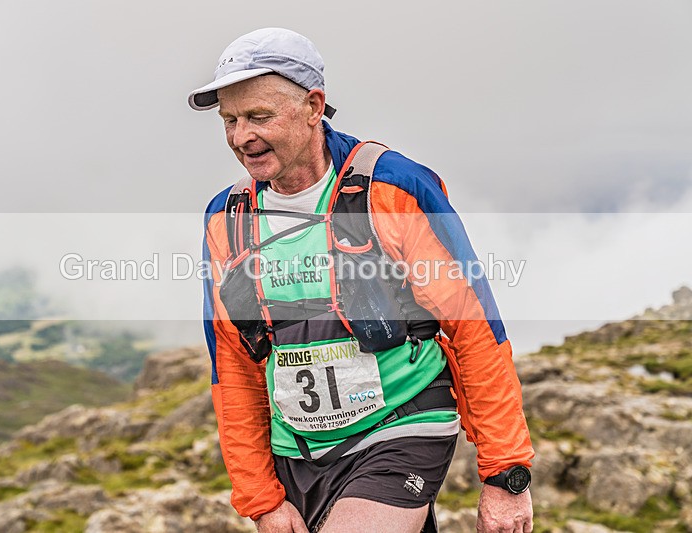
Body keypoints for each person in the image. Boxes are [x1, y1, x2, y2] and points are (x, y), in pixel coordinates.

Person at [191, 27, 534, 533]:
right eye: (231, 120)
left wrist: (505, 474)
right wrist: (260, 496)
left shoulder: (393, 188)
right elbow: (233, 365)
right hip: (297, 455)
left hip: (401, 427)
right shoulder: (227, 217)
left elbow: (474, 328)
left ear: (313, 106)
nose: (242, 136)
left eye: (259, 116)